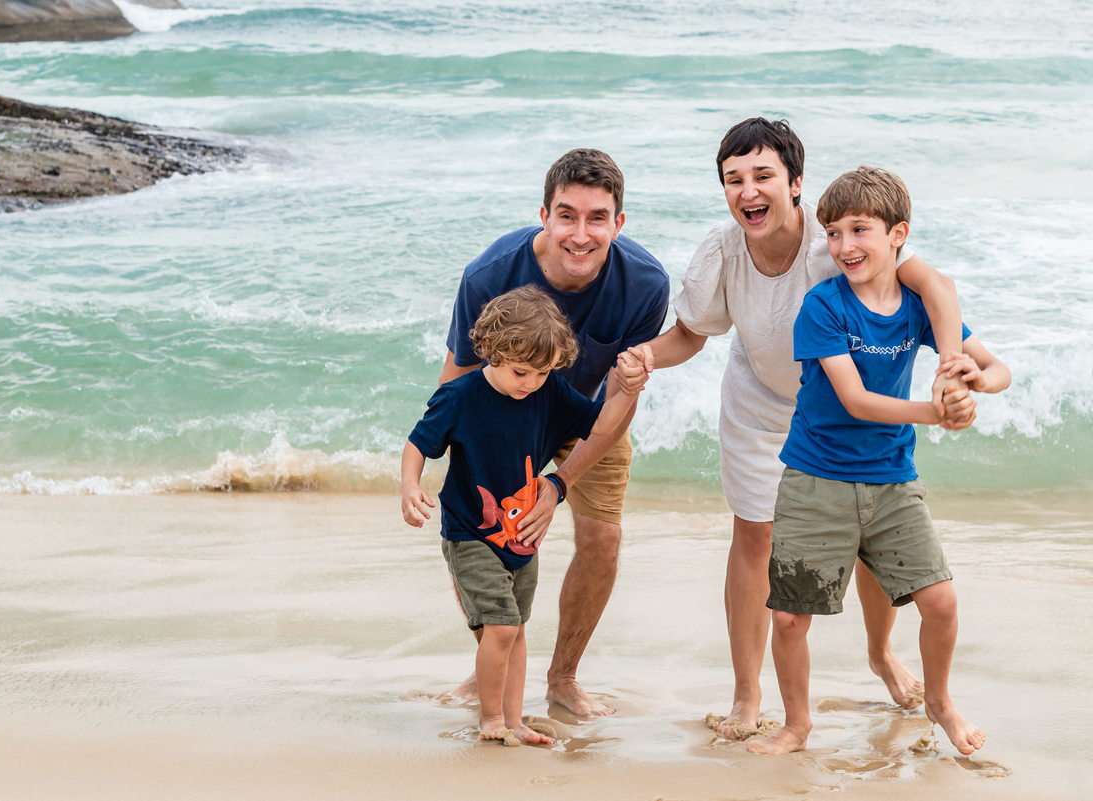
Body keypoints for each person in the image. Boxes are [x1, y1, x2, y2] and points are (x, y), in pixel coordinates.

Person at [631, 118, 973, 739]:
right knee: (755, 537)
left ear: (796, 184)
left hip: (845, 407)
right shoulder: (723, 250)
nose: (748, 191)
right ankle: (746, 694)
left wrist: (949, 368)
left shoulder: (840, 238)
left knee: (869, 538)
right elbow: (691, 334)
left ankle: (881, 654)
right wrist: (646, 355)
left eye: (763, 175)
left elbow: (938, 290)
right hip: (758, 406)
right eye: (733, 180)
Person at [743, 165, 1011, 756]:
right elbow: (856, 401)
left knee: (939, 601)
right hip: (816, 479)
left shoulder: (918, 306)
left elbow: (998, 369)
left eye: (859, 230)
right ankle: (796, 723)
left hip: (893, 480)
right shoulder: (822, 305)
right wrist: (937, 412)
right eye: (833, 233)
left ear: (898, 234)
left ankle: (939, 701)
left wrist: (972, 381)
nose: (843, 246)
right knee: (790, 617)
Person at [438, 148, 670, 716]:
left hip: (586, 417)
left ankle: (562, 679)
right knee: (483, 536)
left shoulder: (645, 284)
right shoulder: (490, 276)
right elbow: (455, 388)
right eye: (567, 215)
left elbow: (620, 400)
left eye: (597, 218)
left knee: (602, 540)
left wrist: (558, 484)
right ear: (544, 215)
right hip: (496, 415)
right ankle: (494, 669)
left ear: (619, 223)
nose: (580, 234)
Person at [401, 286, 651, 745]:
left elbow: (599, 425)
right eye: (521, 371)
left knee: (515, 632)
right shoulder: (459, 397)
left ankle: (513, 720)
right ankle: (490, 720)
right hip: (468, 533)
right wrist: (411, 485)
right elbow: (419, 443)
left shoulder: (547, 390)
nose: (531, 382)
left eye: (542, 372)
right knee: (500, 626)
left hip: (521, 540)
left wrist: (626, 390)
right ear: (492, 351)